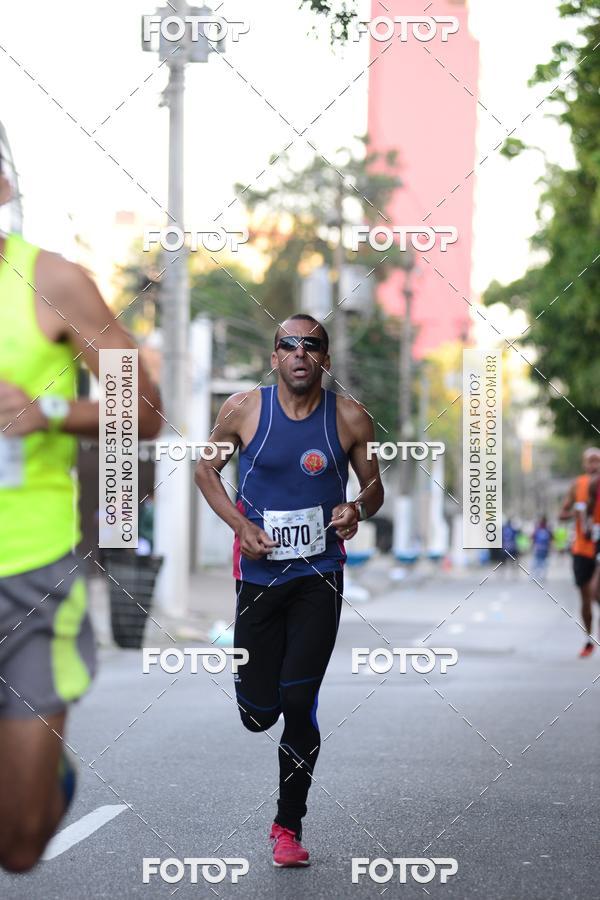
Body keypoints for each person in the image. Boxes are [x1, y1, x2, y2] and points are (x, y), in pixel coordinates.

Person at [0, 154, 162, 872]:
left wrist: (51, 411)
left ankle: (44, 785)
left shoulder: (52, 282)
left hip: (31, 577)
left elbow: (148, 410)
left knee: (21, 846)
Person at [195, 313, 383, 867]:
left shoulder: (348, 416)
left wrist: (355, 509)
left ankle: (287, 826)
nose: (300, 353)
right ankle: (266, 698)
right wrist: (239, 524)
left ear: (325, 358)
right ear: (274, 356)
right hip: (258, 578)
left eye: (312, 345)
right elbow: (206, 471)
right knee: (257, 713)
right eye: (289, 345)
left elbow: (373, 488)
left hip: (317, 577)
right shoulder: (243, 409)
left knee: (299, 703)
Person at [559, 448, 600, 657]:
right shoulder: (578, 485)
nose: (594, 465)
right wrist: (574, 512)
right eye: (590, 461)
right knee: (586, 597)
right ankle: (589, 638)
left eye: (597, 461)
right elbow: (561, 514)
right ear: (584, 464)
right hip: (582, 548)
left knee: (595, 591)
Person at [531, 516, 552, 582]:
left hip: (539, 548)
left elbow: (533, 537)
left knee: (539, 562)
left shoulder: (539, 529)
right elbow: (551, 539)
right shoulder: (547, 530)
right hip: (543, 548)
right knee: (541, 562)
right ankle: (541, 575)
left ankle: (538, 575)